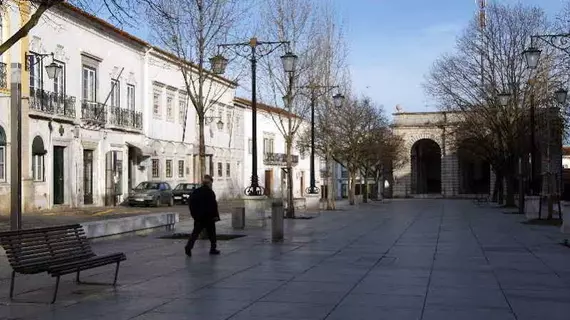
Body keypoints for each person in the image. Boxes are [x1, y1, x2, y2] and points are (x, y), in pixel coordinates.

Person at [185, 175, 221, 257]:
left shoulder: (196, 191)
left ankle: (188, 247)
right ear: (209, 183)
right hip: (209, 217)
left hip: (199, 217)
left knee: (195, 233)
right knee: (212, 234)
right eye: (211, 183)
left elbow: (190, 203)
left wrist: (194, 215)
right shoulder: (210, 192)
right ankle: (213, 248)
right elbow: (213, 205)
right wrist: (216, 216)